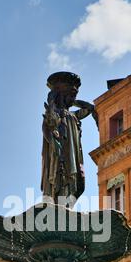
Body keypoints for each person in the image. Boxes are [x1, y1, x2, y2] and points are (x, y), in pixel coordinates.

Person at [41, 72, 98, 206]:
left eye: (75, 95)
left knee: (79, 185)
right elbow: (47, 132)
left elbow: (89, 108)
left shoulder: (73, 116)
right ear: (62, 94)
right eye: (72, 94)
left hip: (75, 159)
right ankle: (60, 209)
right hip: (61, 158)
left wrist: (72, 101)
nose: (74, 97)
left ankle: (65, 209)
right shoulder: (53, 114)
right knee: (63, 185)